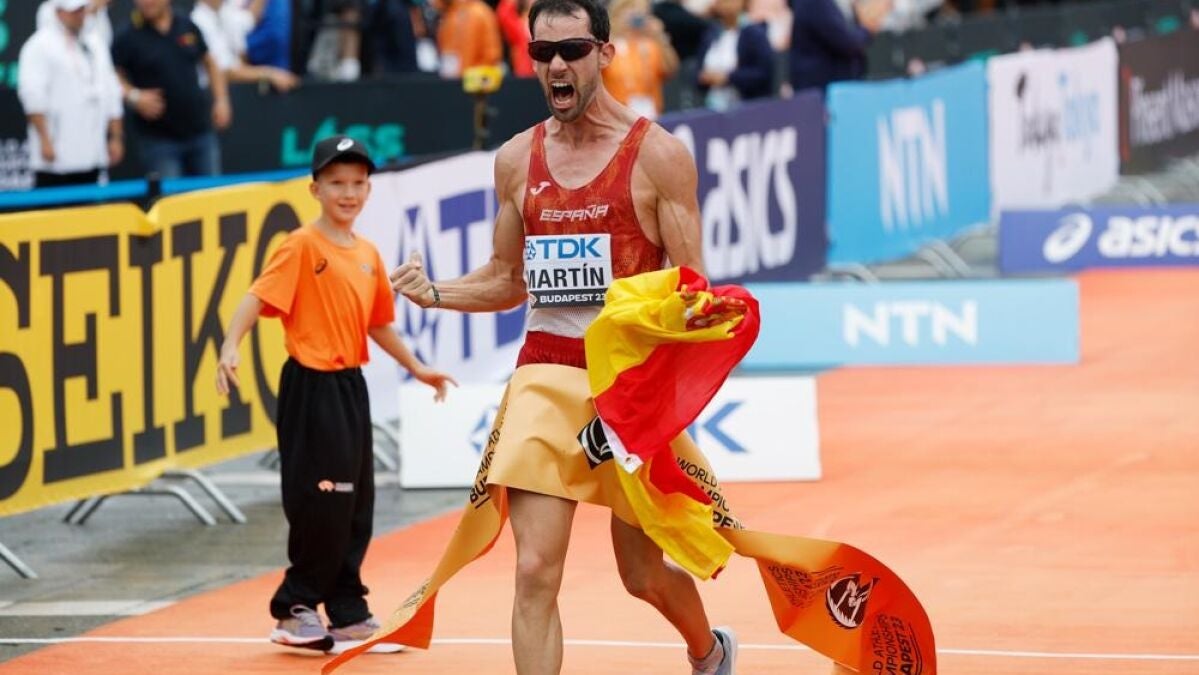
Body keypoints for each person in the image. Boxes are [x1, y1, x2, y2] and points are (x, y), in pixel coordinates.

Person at [388, 0, 742, 671]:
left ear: (604, 54)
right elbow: (507, 279)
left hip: (626, 389)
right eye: (541, 52)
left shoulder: (658, 156)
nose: (555, 64)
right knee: (533, 569)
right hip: (544, 376)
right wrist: (435, 292)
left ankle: (708, 651)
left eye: (571, 50)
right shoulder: (516, 159)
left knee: (641, 574)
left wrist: (694, 329)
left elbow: (690, 287)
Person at [215, 135, 457, 653]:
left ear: (369, 189)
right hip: (311, 387)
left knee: (356, 503)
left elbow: (378, 324)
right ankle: (295, 608)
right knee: (321, 500)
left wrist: (418, 368)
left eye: (358, 183)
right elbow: (256, 297)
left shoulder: (367, 253)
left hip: (350, 387)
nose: (348, 193)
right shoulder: (301, 245)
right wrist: (230, 346)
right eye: (336, 183)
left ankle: (347, 611)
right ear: (315, 189)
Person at [111, 0, 232, 177]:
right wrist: (134, 96)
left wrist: (221, 100)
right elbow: (112, 76)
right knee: (169, 194)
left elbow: (210, 63)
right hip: (159, 140)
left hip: (200, 132)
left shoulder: (186, 25)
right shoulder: (127, 35)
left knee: (210, 192)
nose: (146, 2)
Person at [18, 0, 125, 188]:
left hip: (92, 155)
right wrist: (45, 140)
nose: (80, 15)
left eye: (82, 10)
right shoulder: (38, 46)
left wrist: (115, 137)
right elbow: (33, 97)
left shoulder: (94, 43)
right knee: (54, 205)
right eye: (74, 11)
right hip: (55, 160)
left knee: (91, 204)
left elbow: (111, 91)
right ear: (58, 12)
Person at [191, 0, 300, 91]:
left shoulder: (226, 13)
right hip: (211, 96)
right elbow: (225, 71)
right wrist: (270, 74)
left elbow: (250, 19)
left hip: (236, 93)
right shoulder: (198, 22)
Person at [788, 0, 890, 92]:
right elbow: (847, 42)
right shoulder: (815, 3)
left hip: (832, 86)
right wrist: (867, 28)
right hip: (820, 89)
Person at [602, 0, 678, 119]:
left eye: (642, 11)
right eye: (631, 9)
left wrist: (659, 36)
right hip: (617, 117)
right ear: (618, 14)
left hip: (651, 116)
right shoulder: (608, 47)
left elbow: (670, 70)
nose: (637, 14)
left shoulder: (651, 45)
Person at [696, 0, 775, 111]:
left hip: (748, 107)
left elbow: (764, 72)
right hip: (712, 107)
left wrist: (729, 78)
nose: (726, 5)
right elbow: (697, 72)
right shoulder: (711, 34)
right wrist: (705, 78)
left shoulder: (754, 33)